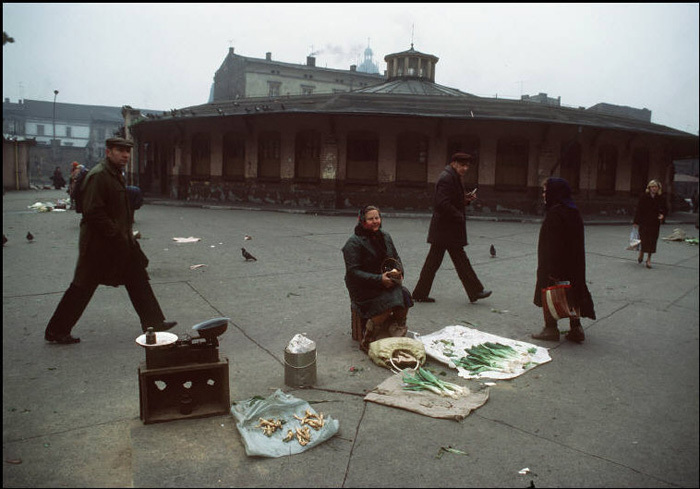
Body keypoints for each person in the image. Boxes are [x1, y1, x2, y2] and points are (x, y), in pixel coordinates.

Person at [44, 137, 176, 344]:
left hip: (120, 241)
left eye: (127, 151)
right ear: (108, 152)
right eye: (120, 151)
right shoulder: (99, 175)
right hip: (99, 245)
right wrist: (115, 233)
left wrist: (125, 237)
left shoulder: (114, 174)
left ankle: (154, 323)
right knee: (82, 285)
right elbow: (93, 211)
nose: (125, 155)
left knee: (138, 278)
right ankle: (56, 330)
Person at [411, 152, 492, 304]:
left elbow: (452, 201)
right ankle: (475, 291)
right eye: (462, 165)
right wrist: (458, 215)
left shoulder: (453, 176)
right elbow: (441, 203)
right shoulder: (447, 178)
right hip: (446, 229)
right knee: (457, 261)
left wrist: (466, 200)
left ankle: (420, 293)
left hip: (446, 230)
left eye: (467, 165)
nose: (465, 168)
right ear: (454, 163)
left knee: (437, 263)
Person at [532, 177, 595, 343]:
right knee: (572, 291)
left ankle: (550, 328)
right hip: (574, 263)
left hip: (554, 265)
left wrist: (551, 270)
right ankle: (576, 328)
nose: (544, 195)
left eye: (546, 191)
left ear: (554, 192)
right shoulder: (573, 211)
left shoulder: (555, 213)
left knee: (550, 292)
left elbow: (552, 245)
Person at [342, 205, 413, 352]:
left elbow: (395, 257)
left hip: (385, 280)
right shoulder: (353, 243)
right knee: (388, 302)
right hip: (363, 287)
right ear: (362, 221)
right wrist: (379, 279)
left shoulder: (385, 236)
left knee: (404, 295)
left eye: (377, 218)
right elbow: (353, 272)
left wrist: (399, 272)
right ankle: (367, 339)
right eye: (370, 219)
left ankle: (397, 329)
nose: (375, 221)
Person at [633, 179, 667, 269]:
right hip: (644, 222)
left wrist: (662, 216)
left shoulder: (661, 198)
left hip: (655, 223)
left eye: (655, 187)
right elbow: (639, 209)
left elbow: (665, 209)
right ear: (649, 188)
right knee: (643, 239)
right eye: (652, 187)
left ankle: (648, 259)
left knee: (652, 241)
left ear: (658, 188)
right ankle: (641, 253)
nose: (654, 188)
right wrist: (636, 221)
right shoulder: (644, 197)